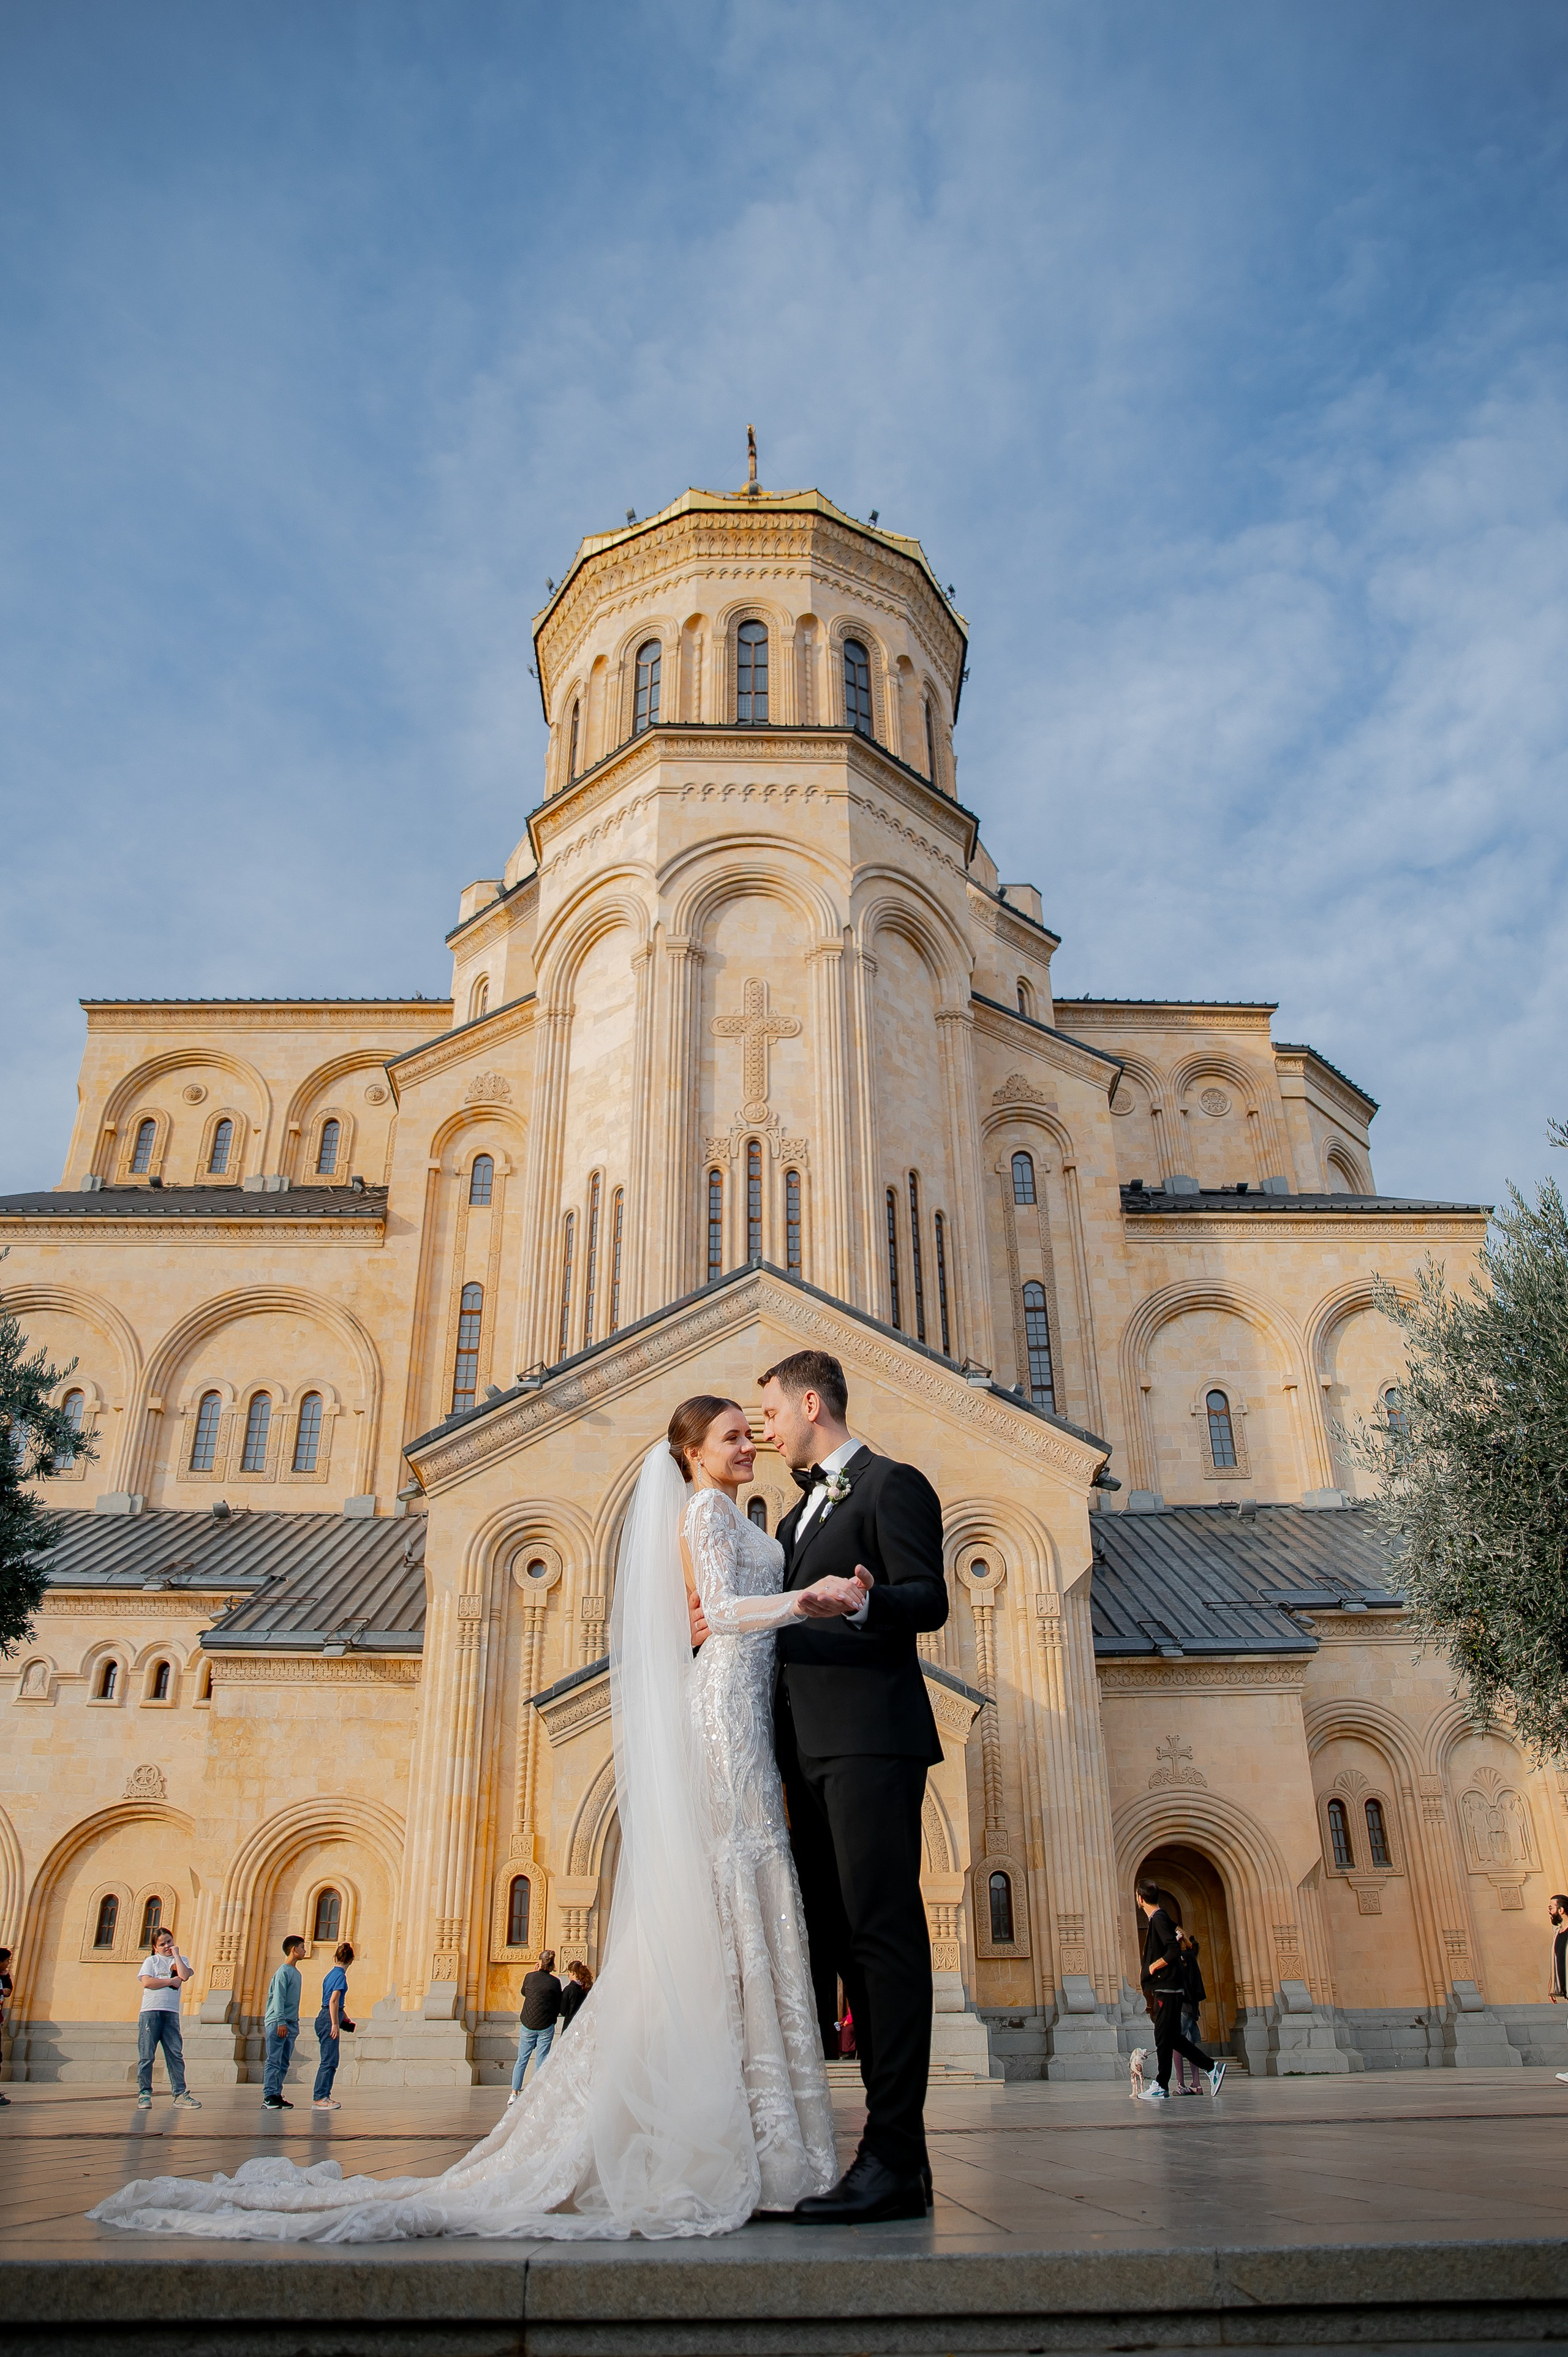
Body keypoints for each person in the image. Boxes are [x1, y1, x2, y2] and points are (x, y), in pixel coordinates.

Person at [88, 1393, 867, 2241]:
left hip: (747, 1705)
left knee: (731, 1893)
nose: (748, 1445)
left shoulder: (724, 1512)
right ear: (692, 1452)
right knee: (722, 1889)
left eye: (751, 1433)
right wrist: (806, 1599)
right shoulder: (706, 1512)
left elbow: (701, 1610)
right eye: (731, 1436)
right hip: (724, 1710)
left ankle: (742, 2126)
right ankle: (735, 2133)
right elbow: (717, 1605)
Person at [755, 1348, 950, 2225]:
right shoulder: (797, 1513)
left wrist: (868, 1603)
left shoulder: (889, 1483)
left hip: (871, 1740)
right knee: (838, 1940)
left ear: (811, 1404)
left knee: (882, 1935)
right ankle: (895, 2159)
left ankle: (894, 2154)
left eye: (771, 1413)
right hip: (807, 1751)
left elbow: (928, 1597)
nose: (767, 1430)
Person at [1135, 1880, 1224, 2101]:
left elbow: (1174, 1950)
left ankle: (1162, 2084)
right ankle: (1209, 2068)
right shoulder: (1162, 1917)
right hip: (1169, 1989)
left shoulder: (1158, 1919)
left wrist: (1153, 1966)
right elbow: (1178, 1936)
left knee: (1162, 2036)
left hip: (1166, 1989)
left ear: (1140, 1898)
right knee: (1172, 2037)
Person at [137, 1927, 200, 2111]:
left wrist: (177, 1955)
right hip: (150, 2012)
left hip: (171, 2013)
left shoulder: (181, 1960)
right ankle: (144, 2093)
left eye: (169, 1942)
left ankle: (180, 2094)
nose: (166, 1946)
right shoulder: (151, 1961)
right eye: (162, 1944)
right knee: (147, 2055)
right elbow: (147, 1982)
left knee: (175, 2053)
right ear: (155, 1947)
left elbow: (184, 1975)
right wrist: (170, 1982)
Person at [508, 1951, 562, 2102]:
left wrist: (534, 1973)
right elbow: (558, 2002)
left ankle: (514, 2092)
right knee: (542, 2059)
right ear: (552, 1964)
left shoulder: (529, 1977)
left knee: (522, 2059)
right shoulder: (555, 1982)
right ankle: (536, 2093)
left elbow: (524, 1992)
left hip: (528, 2023)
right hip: (546, 2024)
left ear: (539, 1962)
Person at [262, 1936, 306, 2114]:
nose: (305, 1951)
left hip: (291, 2023)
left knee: (284, 2061)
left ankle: (277, 2094)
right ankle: (269, 2096)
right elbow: (278, 1999)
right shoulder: (283, 1972)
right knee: (274, 2059)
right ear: (293, 1950)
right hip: (278, 2022)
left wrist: (295, 2022)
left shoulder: (297, 1973)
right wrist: (281, 2021)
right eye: (302, 1947)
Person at [312, 1942, 355, 2113]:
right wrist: (335, 2023)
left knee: (329, 2058)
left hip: (325, 2015)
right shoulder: (340, 1976)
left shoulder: (330, 1974)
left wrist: (343, 2015)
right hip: (328, 2018)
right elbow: (333, 2000)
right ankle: (321, 2097)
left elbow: (331, 2001)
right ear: (351, 1960)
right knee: (329, 2060)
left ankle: (322, 2096)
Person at [1172, 1927, 1207, 2095]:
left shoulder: (1180, 1957)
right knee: (1190, 2043)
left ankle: (1180, 2083)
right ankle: (1197, 2084)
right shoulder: (1191, 1956)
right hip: (1192, 2006)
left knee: (1177, 2043)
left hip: (1181, 2004)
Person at [555, 1961, 592, 2043]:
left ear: (572, 1973)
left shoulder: (569, 1989)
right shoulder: (588, 1988)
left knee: (567, 2046)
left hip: (570, 2025)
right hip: (584, 2024)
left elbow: (563, 2011)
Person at [0, 1945, 13, 2106]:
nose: (8, 1964)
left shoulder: (4, 1976)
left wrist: (5, 1976)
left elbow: (9, 1991)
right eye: (7, 1961)